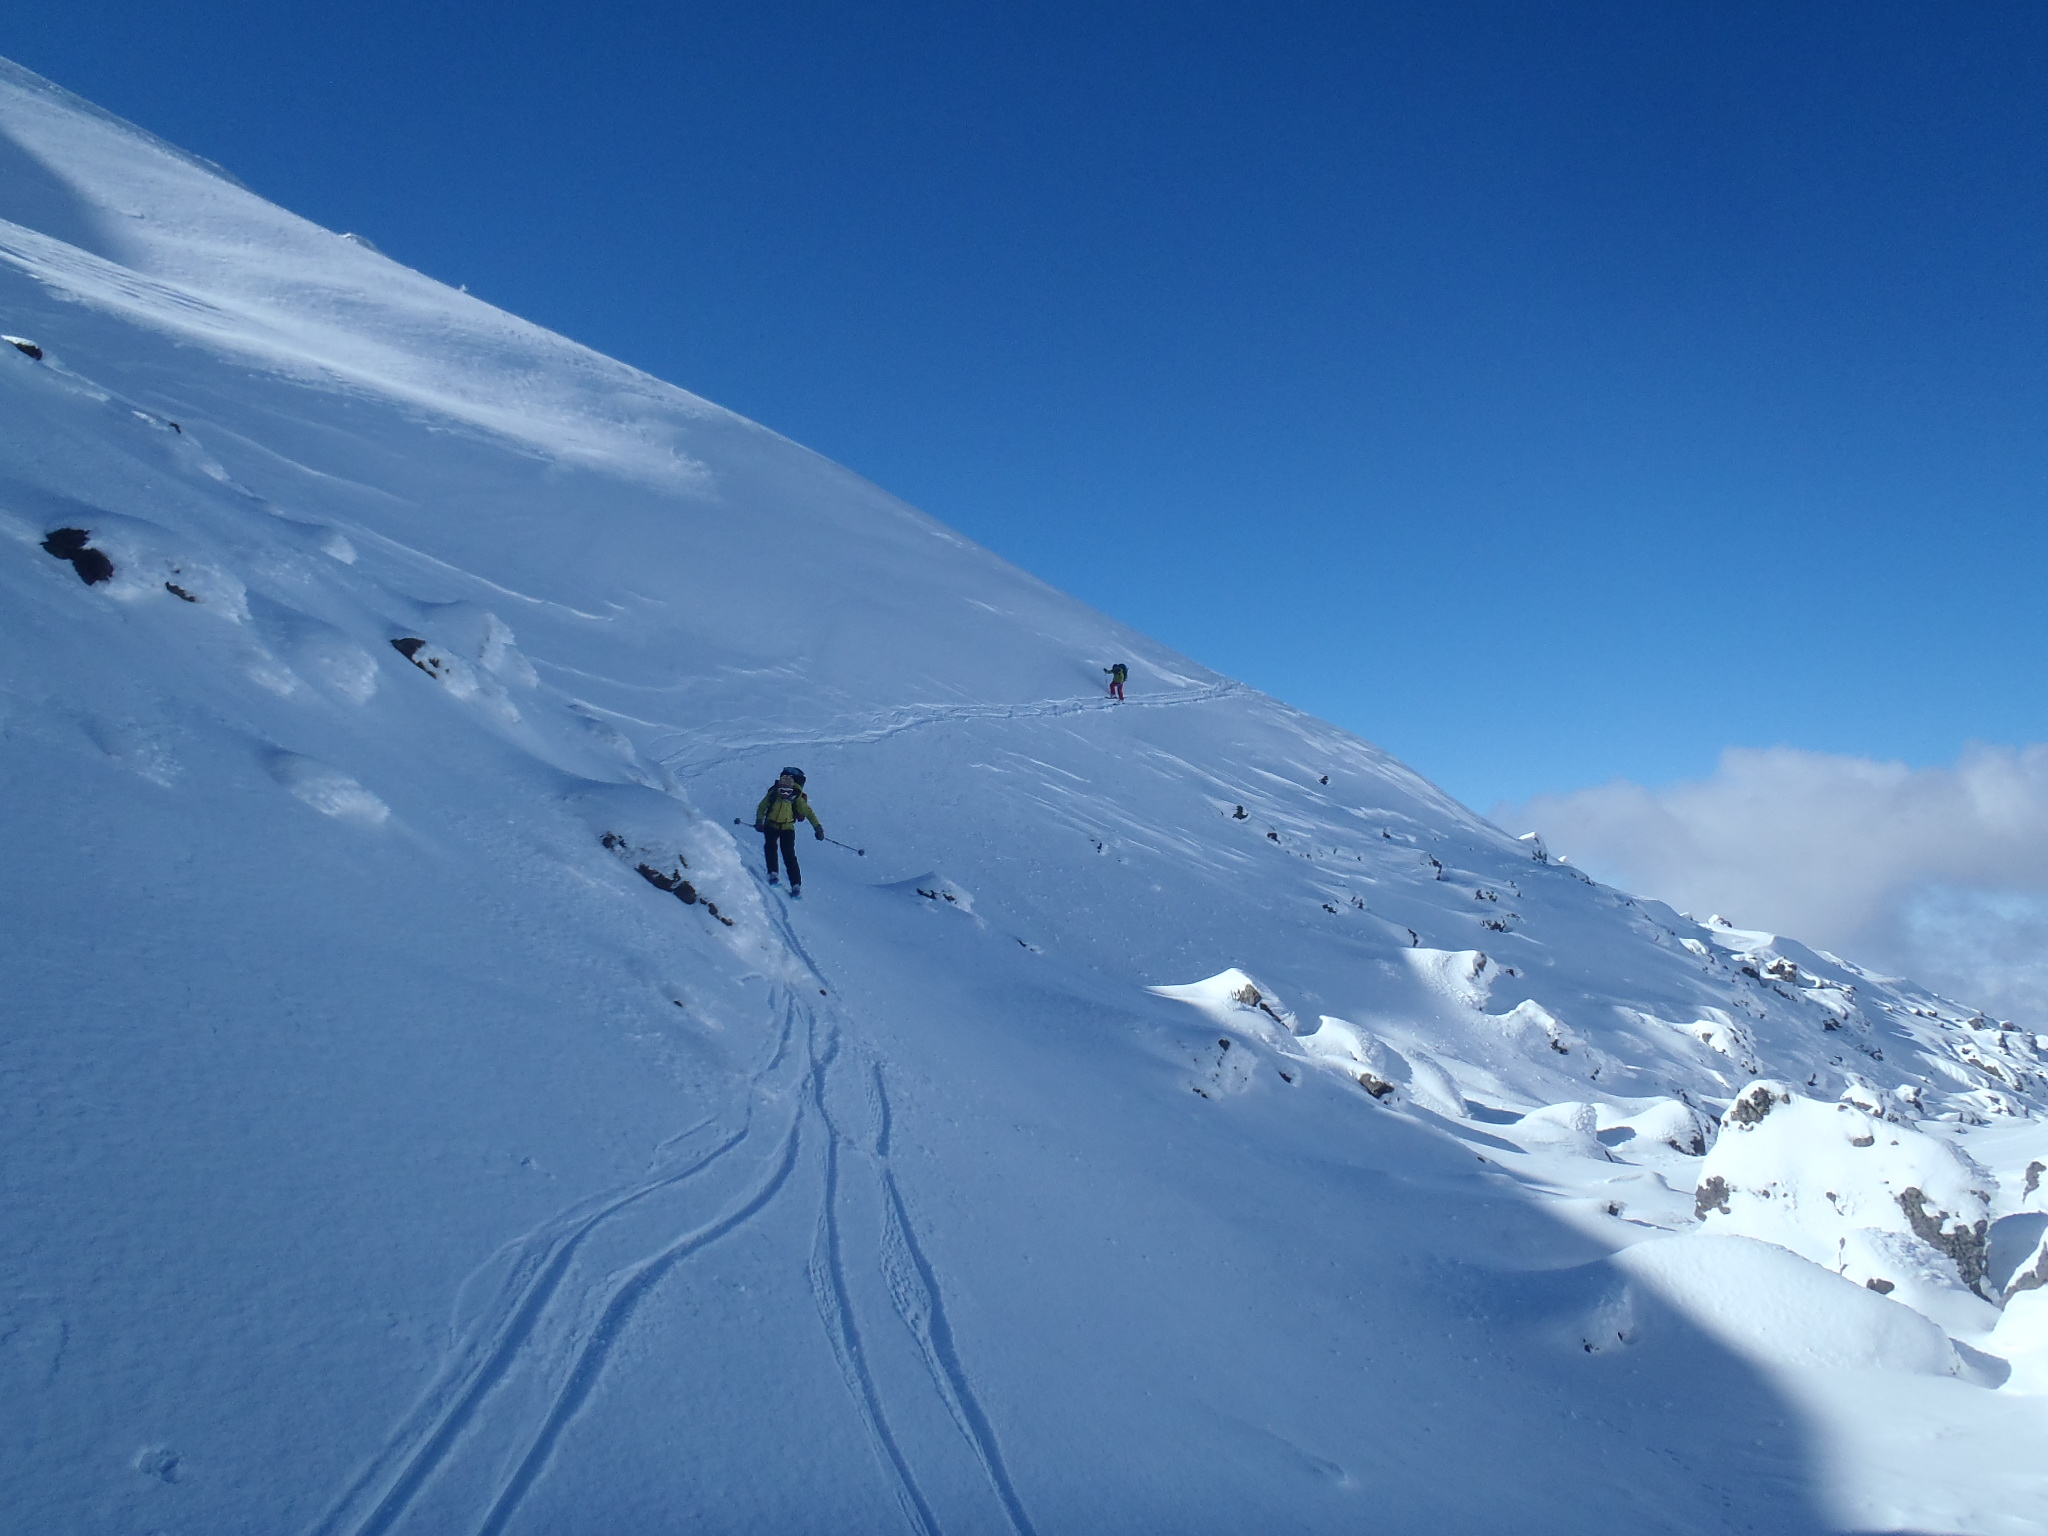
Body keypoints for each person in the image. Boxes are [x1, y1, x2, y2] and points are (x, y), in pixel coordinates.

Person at [753, 767, 825, 897]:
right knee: (771, 848)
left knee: (789, 855)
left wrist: (818, 828)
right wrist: (759, 821)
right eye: (782, 790)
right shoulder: (774, 794)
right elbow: (762, 806)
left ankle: (796, 885)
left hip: (787, 828)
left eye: (788, 791)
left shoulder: (796, 798)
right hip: (771, 825)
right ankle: (773, 873)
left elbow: (808, 812)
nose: (785, 793)